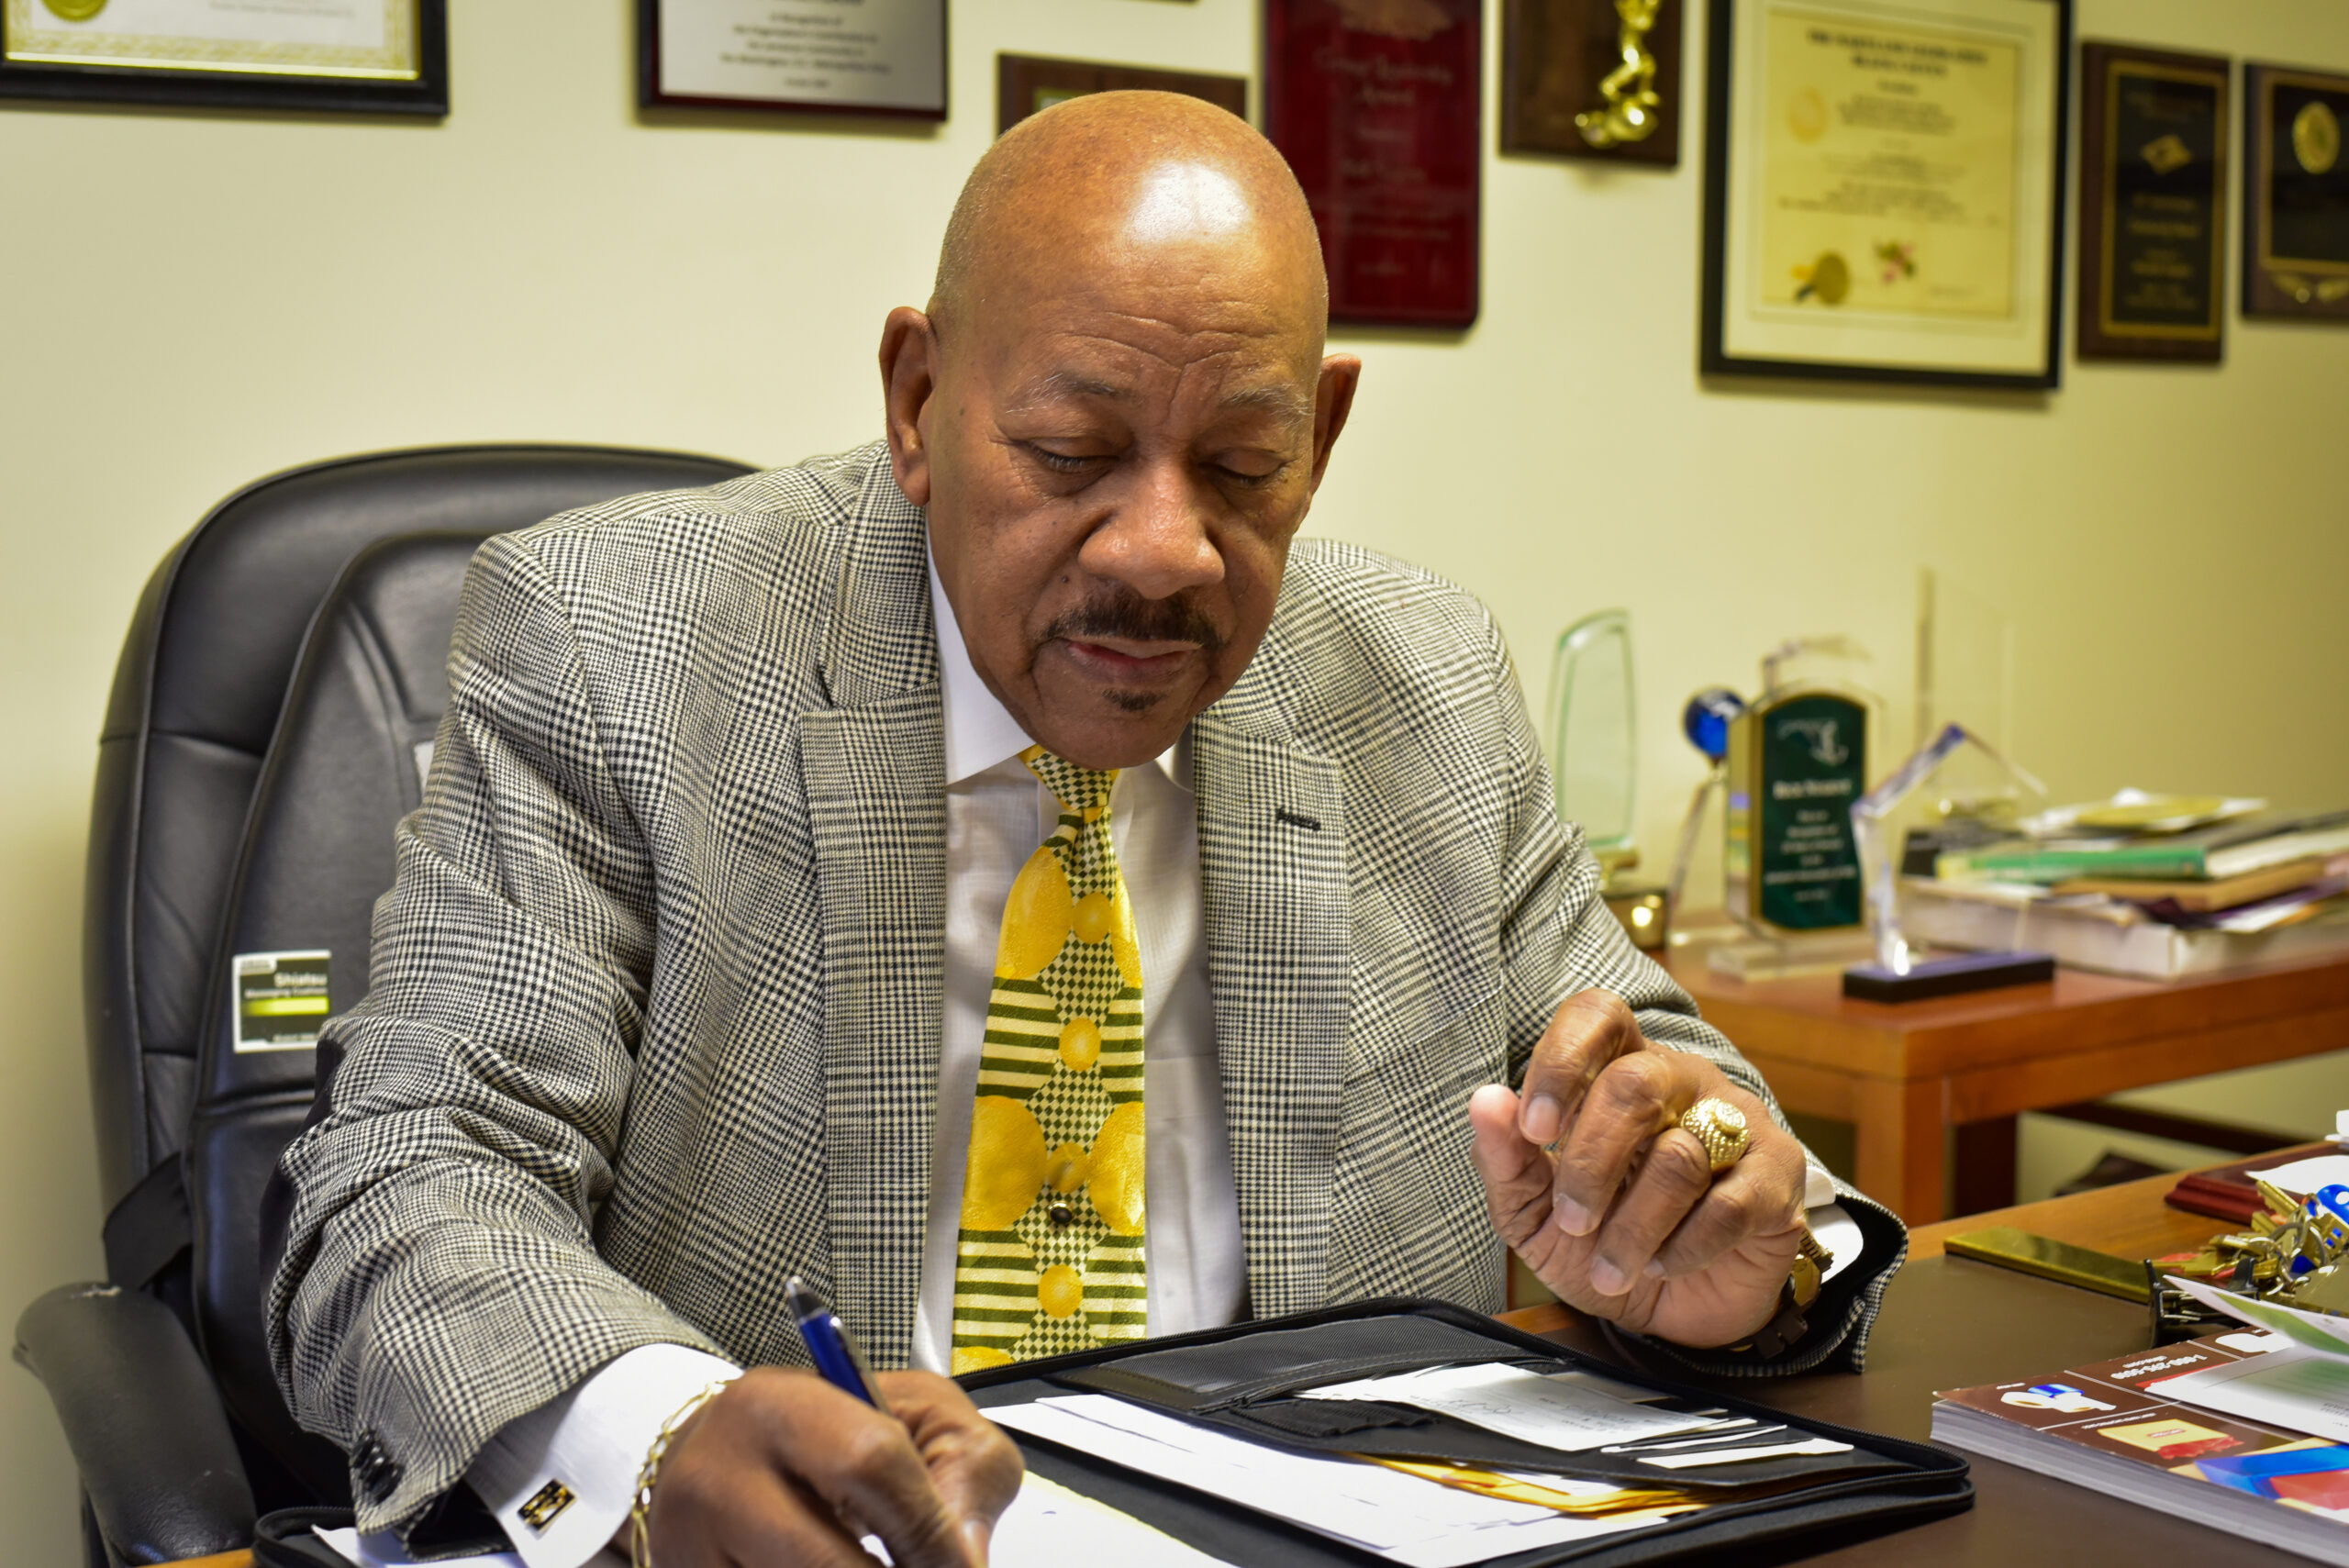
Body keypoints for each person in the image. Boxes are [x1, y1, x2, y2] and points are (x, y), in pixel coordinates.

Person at [266, 91, 1902, 1568]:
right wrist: (665, 1437)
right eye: (1070, 451)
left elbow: (1669, 1088)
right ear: (917, 401)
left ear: (1322, 440)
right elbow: (413, 1175)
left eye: (1246, 464)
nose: (1163, 549)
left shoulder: (1418, 681)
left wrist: (1727, 1228)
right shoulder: (621, 642)